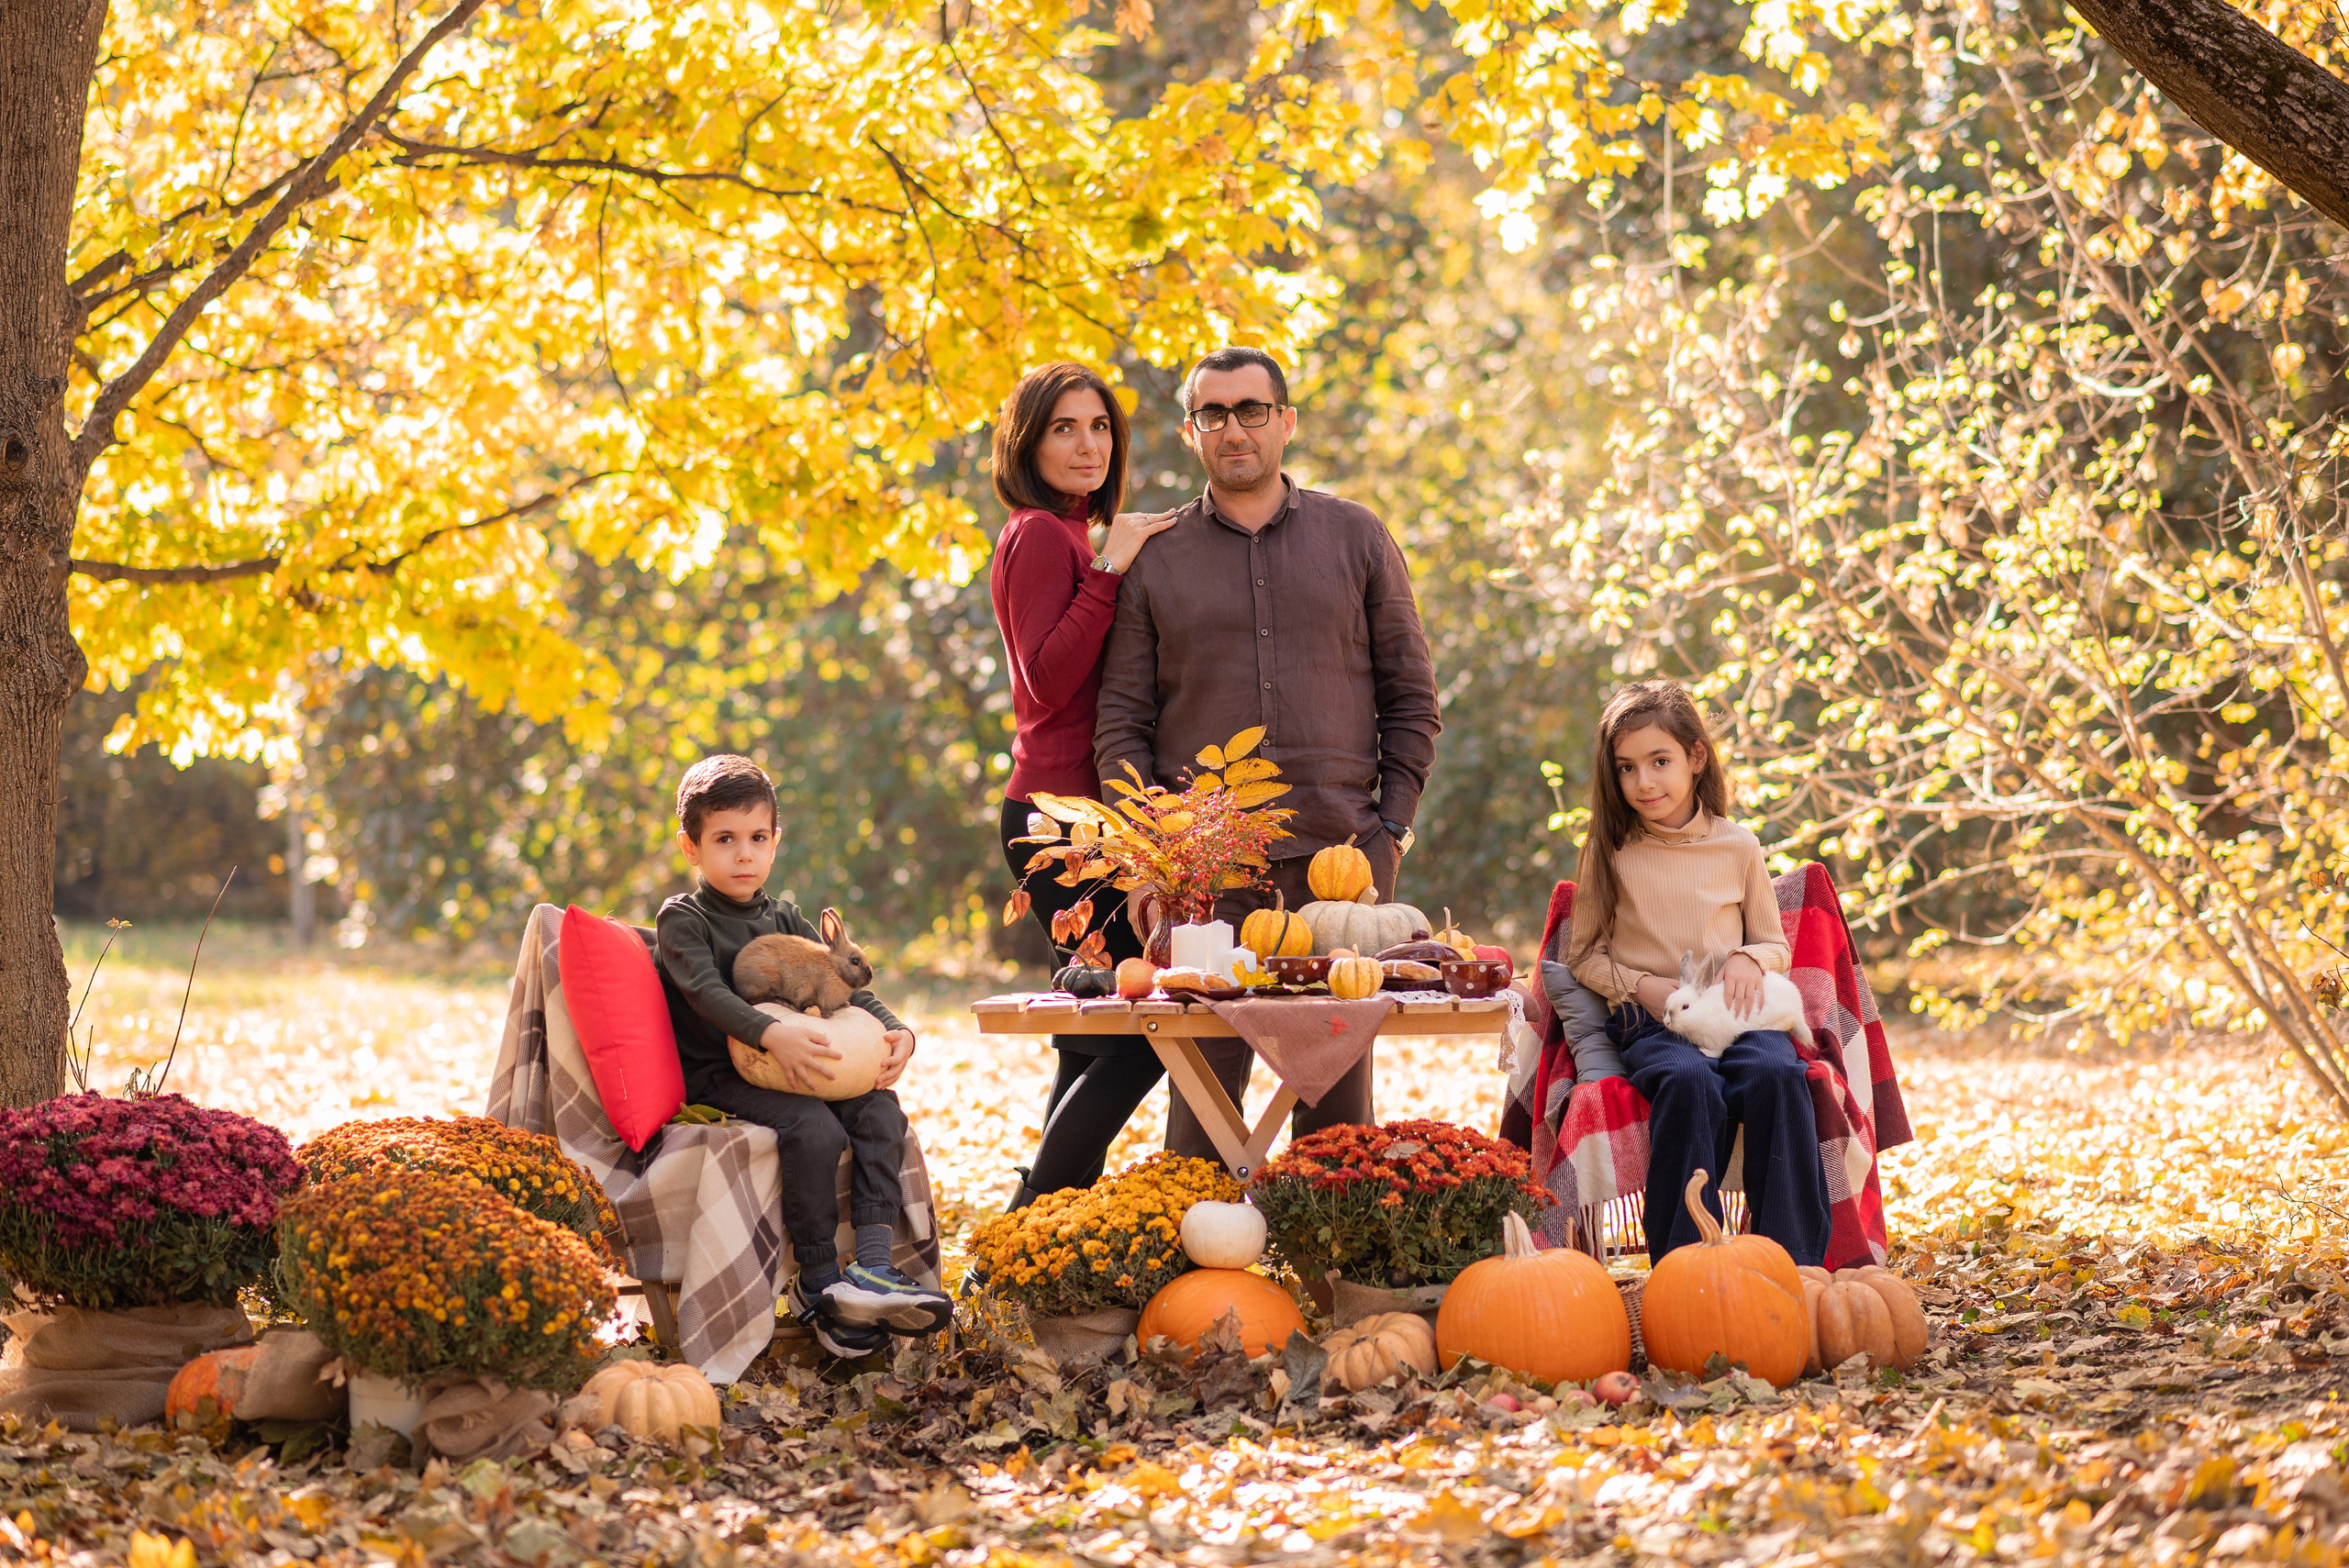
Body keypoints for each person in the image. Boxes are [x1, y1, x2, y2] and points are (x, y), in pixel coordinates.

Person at [1094, 346, 1442, 1160]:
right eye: (1213, 414)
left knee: (1338, 1107)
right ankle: (1207, 1285)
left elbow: (1412, 695)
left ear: (1285, 422)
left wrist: (1389, 829)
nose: (1234, 429)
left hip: (1343, 863)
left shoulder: (1355, 535)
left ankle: (1338, 1284)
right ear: (1191, 432)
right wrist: (1151, 855)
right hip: (1205, 877)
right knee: (1203, 1117)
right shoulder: (1158, 557)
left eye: (1252, 410)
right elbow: (1121, 722)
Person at [654, 753, 953, 1358]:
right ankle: (819, 1284)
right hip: (721, 1076)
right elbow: (707, 992)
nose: (744, 854)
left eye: (757, 837)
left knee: (878, 1109)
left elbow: (848, 987)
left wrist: (898, 1031)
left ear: (775, 840)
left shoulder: (785, 915)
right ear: (691, 847)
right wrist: (770, 1032)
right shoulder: (684, 919)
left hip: (798, 1065)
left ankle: (872, 1266)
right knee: (813, 1128)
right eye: (724, 839)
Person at [987, 362, 1181, 1205]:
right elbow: (1047, 678)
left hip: (1083, 818)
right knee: (1137, 1035)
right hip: (1057, 821)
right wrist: (1113, 565)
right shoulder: (1038, 534)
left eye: (1100, 427)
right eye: (1065, 427)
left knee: (1086, 1037)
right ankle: (1029, 1220)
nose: (1088, 444)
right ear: (1028, 443)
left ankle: (1040, 1240)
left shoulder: (1064, 534)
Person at [1562, 679, 1830, 1265]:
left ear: (1696, 758)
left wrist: (1745, 958)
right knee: (1689, 1083)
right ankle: (1684, 1268)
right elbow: (1581, 956)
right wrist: (1641, 987)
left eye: (1660, 762)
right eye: (1627, 768)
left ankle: (1798, 1267)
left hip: (1735, 1015)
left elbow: (1773, 945)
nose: (1645, 782)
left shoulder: (1738, 847)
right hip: (1653, 1023)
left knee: (1778, 1077)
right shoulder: (1610, 851)